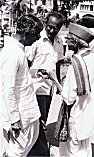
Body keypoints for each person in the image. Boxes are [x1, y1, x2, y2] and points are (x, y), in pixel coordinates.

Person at [47, 23, 94, 157]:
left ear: (75, 42)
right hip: (90, 115)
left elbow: (68, 97)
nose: (66, 42)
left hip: (76, 116)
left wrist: (54, 79)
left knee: (73, 152)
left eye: (69, 39)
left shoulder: (75, 65)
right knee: (85, 150)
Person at [0, 14, 42, 157]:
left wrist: (35, 72)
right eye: (36, 34)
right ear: (26, 33)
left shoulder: (18, 51)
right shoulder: (13, 54)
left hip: (27, 113)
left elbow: (19, 78)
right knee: (16, 153)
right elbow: (8, 88)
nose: (38, 38)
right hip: (21, 116)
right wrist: (14, 119)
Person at [26, 11, 65, 126]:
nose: (52, 31)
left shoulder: (59, 41)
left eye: (56, 29)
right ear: (45, 23)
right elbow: (26, 64)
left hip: (50, 88)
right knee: (38, 121)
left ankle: (41, 142)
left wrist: (59, 85)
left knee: (46, 119)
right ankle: (39, 143)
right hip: (36, 86)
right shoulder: (37, 40)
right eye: (50, 27)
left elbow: (58, 64)